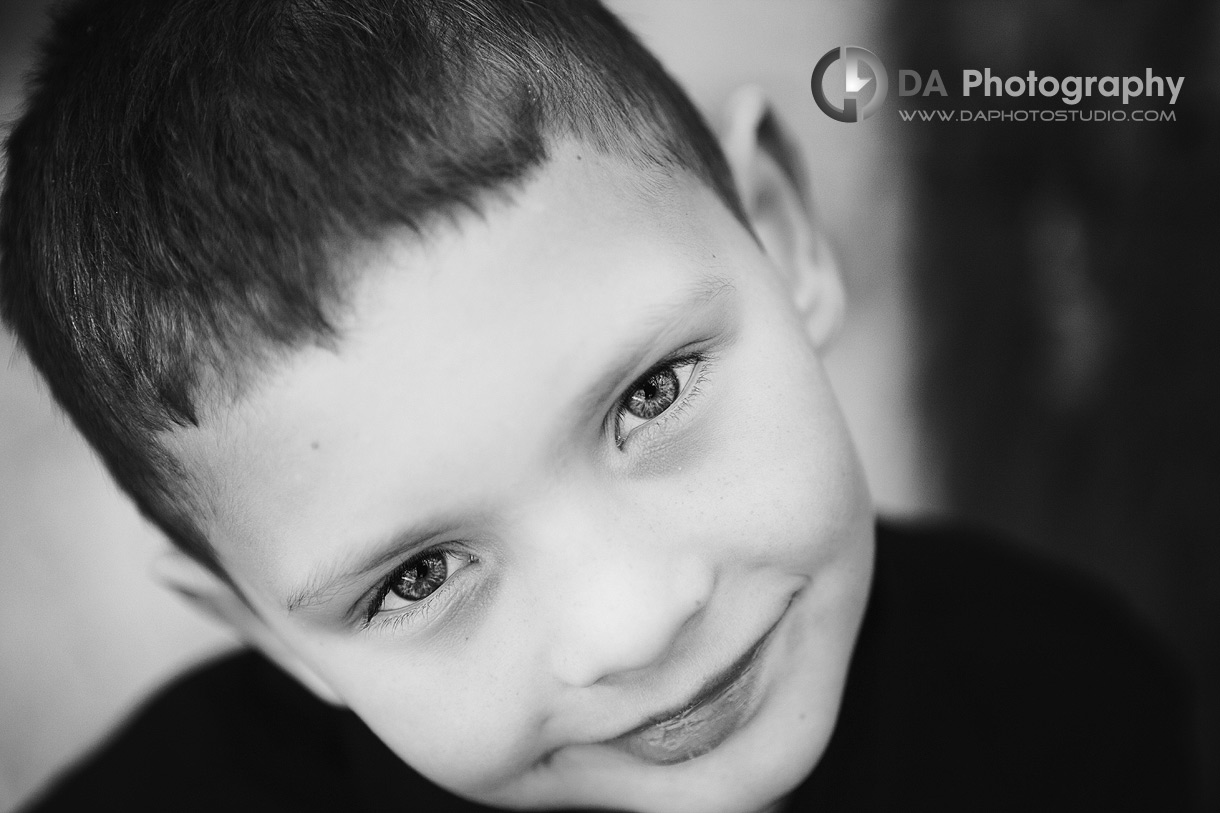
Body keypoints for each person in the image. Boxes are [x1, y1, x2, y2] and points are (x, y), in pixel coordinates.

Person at [0, 0, 1194, 810]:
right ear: (260, 627)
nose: (631, 624)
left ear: (779, 239)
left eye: (651, 393)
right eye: (415, 578)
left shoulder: (1066, 706)